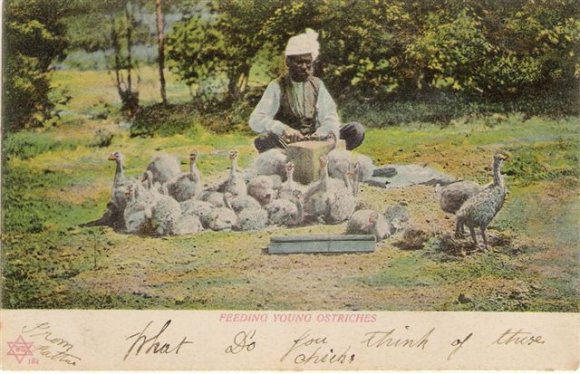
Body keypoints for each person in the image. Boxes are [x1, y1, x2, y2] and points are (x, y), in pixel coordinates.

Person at [249, 29, 365, 153]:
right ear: (288, 62)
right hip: (288, 142)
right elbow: (256, 120)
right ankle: (299, 157)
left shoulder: (317, 85)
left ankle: (322, 152)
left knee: (356, 130)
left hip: (317, 139)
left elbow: (330, 115)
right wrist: (283, 129)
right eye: (299, 62)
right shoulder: (276, 86)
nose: (304, 67)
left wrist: (322, 132)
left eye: (308, 63)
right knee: (263, 140)